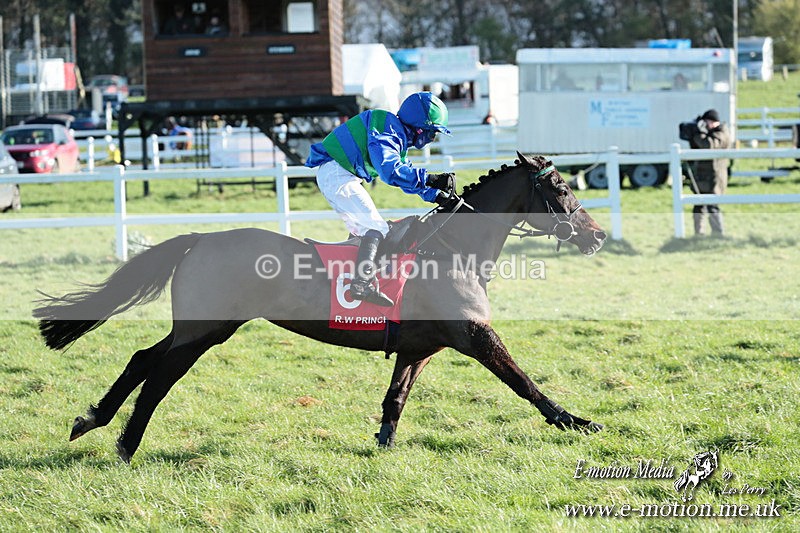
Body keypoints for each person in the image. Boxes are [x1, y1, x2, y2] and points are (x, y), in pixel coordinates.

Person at [305, 92, 456, 307]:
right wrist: (431, 178)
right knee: (375, 228)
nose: (432, 139)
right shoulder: (387, 127)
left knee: (372, 228)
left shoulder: (395, 133)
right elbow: (390, 171)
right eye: (432, 133)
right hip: (337, 175)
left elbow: (404, 173)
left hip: (339, 175)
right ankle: (360, 285)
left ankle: (361, 279)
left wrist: (435, 195)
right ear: (420, 128)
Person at [688, 109, 731, 236]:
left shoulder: (721, 133)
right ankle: (699, 233)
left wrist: (698, 134)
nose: (705, 125)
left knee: (712, 206)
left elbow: (708, 145)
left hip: (714, 177)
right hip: (704, 176)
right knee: (699, 206)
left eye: (706, 122)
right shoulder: (712, 133)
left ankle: (718, 233)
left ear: (713, 121)